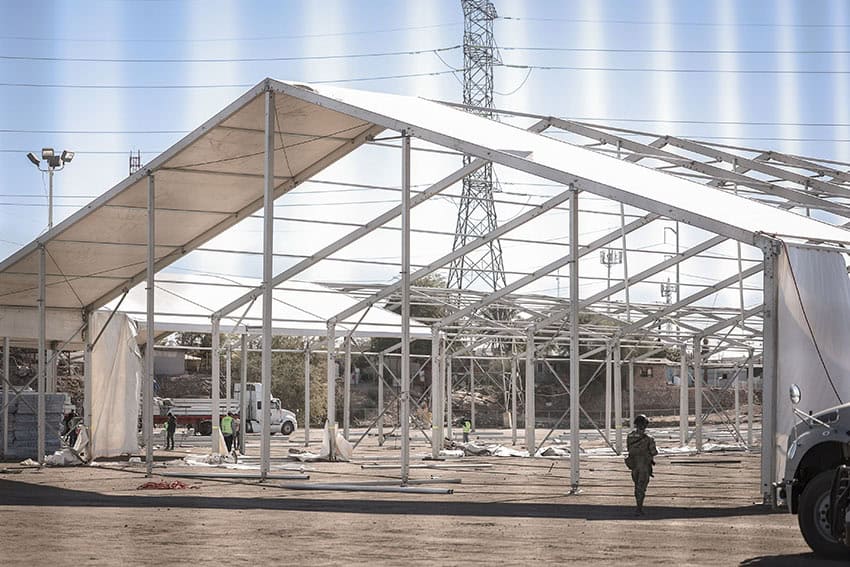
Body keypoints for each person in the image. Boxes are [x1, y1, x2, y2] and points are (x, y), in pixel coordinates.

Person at [626, 414, 658, 516]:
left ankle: (638, 506)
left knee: (636, 486)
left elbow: (629, 450)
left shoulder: (629, 436)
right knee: (641, 487)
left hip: (634, 465)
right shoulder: (649, 438)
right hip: (644, 466)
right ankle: (639, 508)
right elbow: (654, 452)